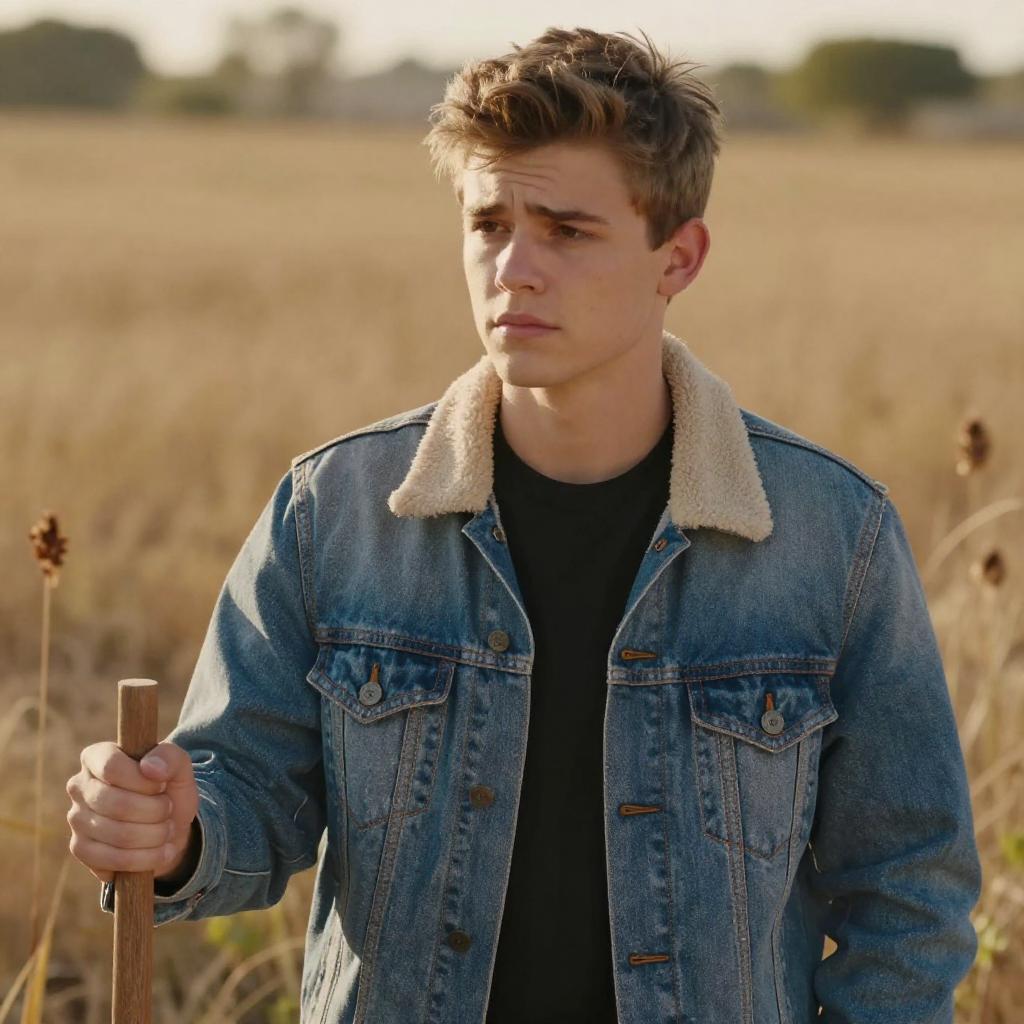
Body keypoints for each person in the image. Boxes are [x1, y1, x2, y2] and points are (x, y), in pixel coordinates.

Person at [65, 25, 982, 1024]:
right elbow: (244, 800)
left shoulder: (826, 534)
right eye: (488, 222)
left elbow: (910, 888)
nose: (513, 267)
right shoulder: (333, 511)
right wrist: (173, 829)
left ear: (678, 256)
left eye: (567, 230)